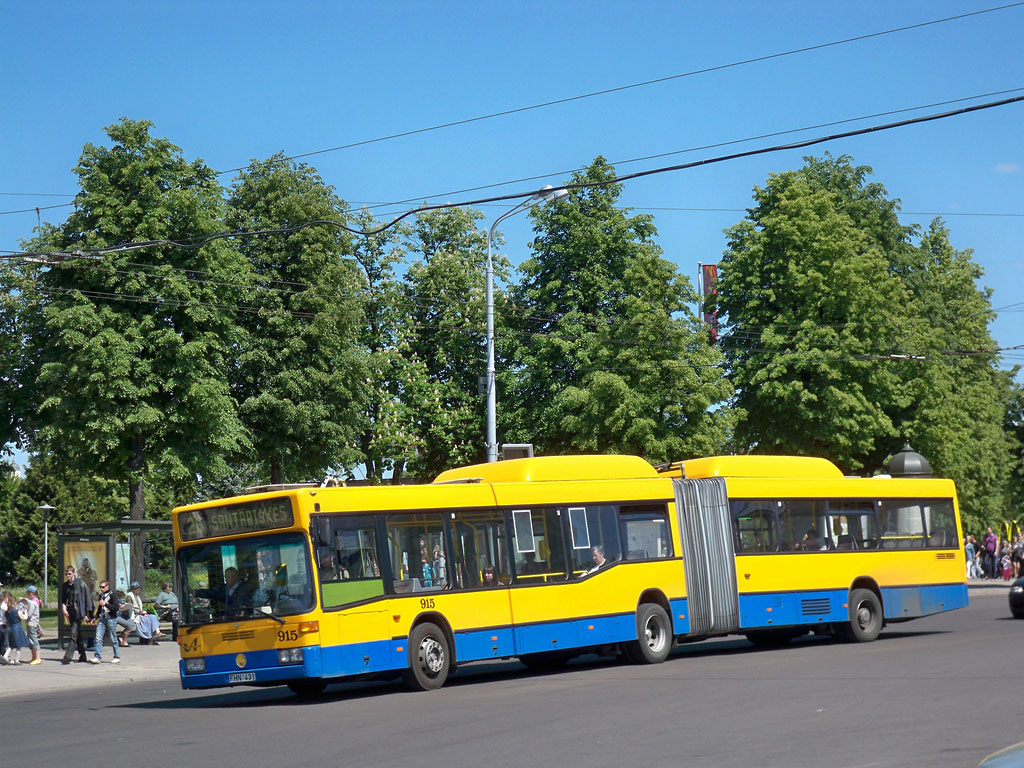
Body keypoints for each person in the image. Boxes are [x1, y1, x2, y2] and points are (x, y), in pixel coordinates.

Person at [61, 564, 94, 664]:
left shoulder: (80, 583)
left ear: (73, 573)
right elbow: (63, 600)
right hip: (70, 612)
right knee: (77, 634)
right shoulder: (65, 586)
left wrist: (88, 613)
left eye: (69, 574)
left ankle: (68, 656)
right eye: (66, 574)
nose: (68, 576)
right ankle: (83, 655)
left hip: (79, 612)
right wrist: (64, 609)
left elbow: (88, 597)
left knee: (73, 634)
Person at [90, 579, 121, 664]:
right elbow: (100, 609)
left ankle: (117, 656)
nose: (101, 589)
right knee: (98, 637)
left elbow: (116, 607)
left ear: (108, 586)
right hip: (102, 618)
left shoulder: (113, 595)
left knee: (113, 638)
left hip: (111, 618)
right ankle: (97, 657)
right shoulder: (101, 596)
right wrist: (95, 618)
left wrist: (106, 604)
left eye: (103, 587)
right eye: (100, 587)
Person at [3, 591, 30, 665]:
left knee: (11, 644)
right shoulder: (17, 611)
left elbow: (6, 621)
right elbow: (24, 617)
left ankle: (5, 656)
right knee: (18, 645)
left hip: (10, 628)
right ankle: (17, 660)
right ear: (14, 603)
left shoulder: (6, 612)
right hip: (17, 628)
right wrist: (25, 612)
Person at [21, 587, 41, 664]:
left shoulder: (33, 603)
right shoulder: (36, 601)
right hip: (32, 623)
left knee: (34, 640)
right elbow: (27, 601)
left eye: (28, 594)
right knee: (30, 641)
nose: (28, 595)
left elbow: (29, 614)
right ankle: (33, 657)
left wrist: (24, 615)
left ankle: (38, 658)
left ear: (31, 593)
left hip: (32, 623)